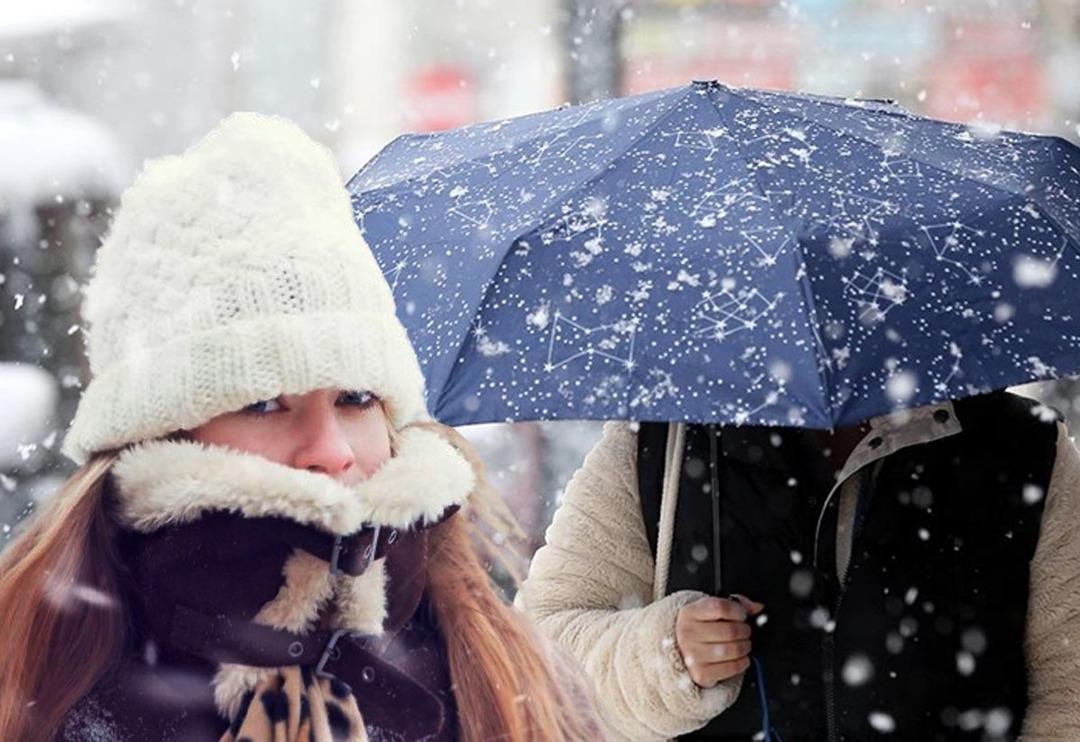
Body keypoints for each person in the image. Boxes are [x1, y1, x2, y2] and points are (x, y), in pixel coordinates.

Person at [0, 113, 599, 742]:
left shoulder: (509, 674)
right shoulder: (42, 683)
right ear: (158, 433)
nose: (333, 452)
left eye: (356, 398)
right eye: (263, 402)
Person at [517, 394, 1080, 740]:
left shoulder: (1023, 449)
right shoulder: (662, 443)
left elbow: (1070, 691)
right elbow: (538, 658)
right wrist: (663, 655)